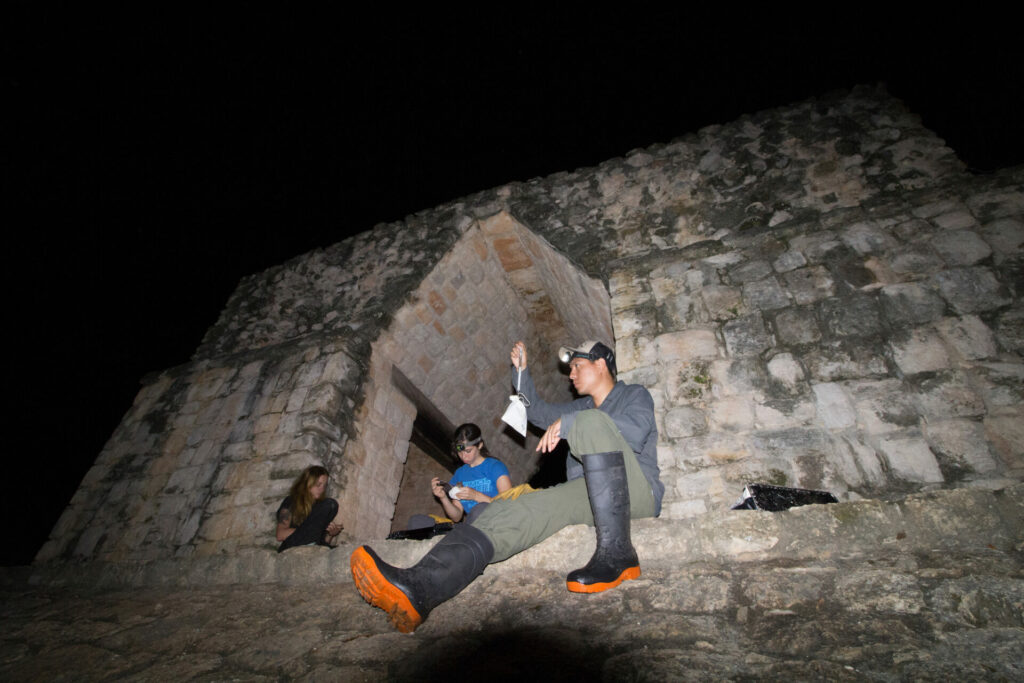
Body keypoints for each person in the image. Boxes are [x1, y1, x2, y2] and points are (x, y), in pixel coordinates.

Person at [350, 339, 664, 632]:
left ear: (601, 365)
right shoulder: (582, 409)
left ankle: (617, 554)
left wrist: (572, 425)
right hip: (588, 494)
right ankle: (419, 588)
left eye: (577, 366)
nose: (571, 374)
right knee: (509, 510)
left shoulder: (633, 396)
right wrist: (522, 373)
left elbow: (634, 434)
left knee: (590, 422)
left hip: (635, 490)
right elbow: (537, 412)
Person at [431, 423, 512, 524]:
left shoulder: (495, 467)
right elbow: (456, 517)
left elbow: (508, 507)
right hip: (474, 526)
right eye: (459, 452)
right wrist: (443, 498)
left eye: (468, 451)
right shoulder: (460, 474)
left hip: (497, 523)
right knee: (419, 520)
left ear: (480, 445)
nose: (463, 456)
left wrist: (476, 496)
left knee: (479, 510)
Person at [276, 465, 343, 552]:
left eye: (324, 485)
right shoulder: (291, 501)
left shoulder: (320, 508)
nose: (321, 489)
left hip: (313, 548)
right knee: (329, 504)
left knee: (332, 505)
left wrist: (331, 534)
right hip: (291, 546)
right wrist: (310, 529)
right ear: (307, 483)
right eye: (318, 484)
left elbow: (321, 543)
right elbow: (280, 535)